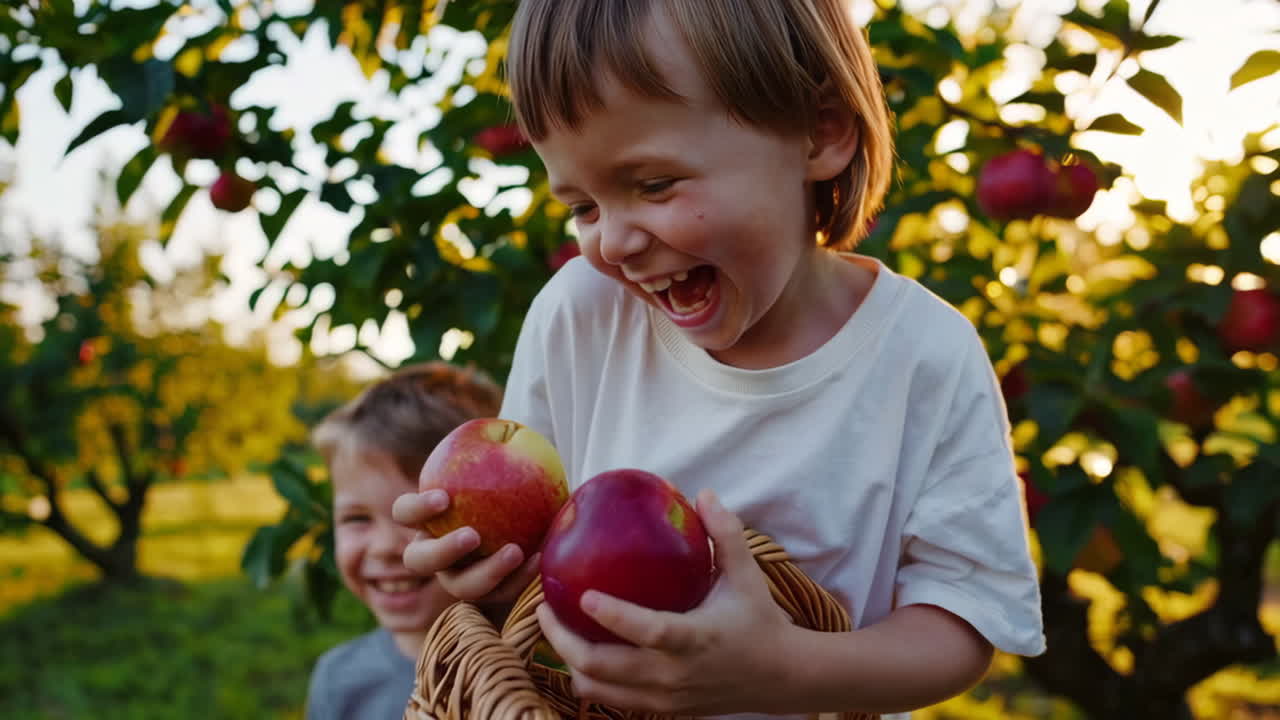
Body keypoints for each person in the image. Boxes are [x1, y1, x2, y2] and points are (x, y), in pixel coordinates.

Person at [393, 1, 1046, 718]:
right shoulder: (582, 316)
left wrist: (787, 671)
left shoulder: (926, 356)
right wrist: (491, 569)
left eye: (653, 185)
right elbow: (541, 544)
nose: (612, 242)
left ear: (819, 134)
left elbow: (965, 619)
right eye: (582, 207)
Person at [304, 362, 504, 720]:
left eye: (420, 518)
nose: (383, 546)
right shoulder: (338, 681)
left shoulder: (542, 674)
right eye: (357, 518)